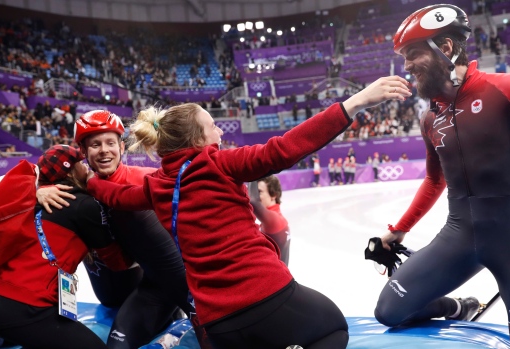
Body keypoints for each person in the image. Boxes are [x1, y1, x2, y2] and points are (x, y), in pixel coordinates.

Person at [86, 76, 412, 349]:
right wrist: (354, 102)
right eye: (213, 127)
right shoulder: (221, 163)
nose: (220, 133)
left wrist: (87, 179)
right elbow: (286, 148)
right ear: (199, 139)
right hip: (265, 294)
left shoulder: (155, 185)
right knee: (334, 329)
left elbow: (117, 195)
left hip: (216, 324)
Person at [374, 4, 510, 348]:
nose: (405, 66)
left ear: (446, 48)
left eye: (412, 54)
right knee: (389, 311)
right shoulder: (429, 119)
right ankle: (458, 308)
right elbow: (434, 180)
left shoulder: (509, 88)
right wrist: (398, 230)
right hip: (459, 239)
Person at [37, 110, 198, 349]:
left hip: (175, 285)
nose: (104, 150)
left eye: (110, 143)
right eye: (95, 144)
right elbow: (0, 186)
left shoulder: (146, 179)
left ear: (122, 147)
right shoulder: (78, 189)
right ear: (82, 152)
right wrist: (38, 188)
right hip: (136, 290)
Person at [0, 145, 132, 349]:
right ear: (72, 170)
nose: (88, 169)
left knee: (39, 332)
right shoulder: (85, 206)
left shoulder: (33, 199)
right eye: (82, 164)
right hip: (25, 307)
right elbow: (116, 261)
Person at [248, 175, 291, 265]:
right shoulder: (278, 219)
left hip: (276, 277)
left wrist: (252, 172)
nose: (255, 194)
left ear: (273, 195)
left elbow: (253, 201)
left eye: (259, 192)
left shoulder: (275, 221)